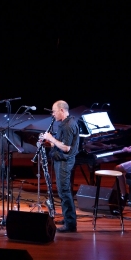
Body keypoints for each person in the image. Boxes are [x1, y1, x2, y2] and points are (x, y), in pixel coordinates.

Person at [40, 100, 79, 233]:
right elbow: (59, 144)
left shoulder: (67, 126)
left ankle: (70, 225)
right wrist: (47, 142)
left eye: (54, 111)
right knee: (64, 191)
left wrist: (51, 138)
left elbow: (66, 148)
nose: (53, 114)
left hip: (64, 161)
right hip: (61, 160)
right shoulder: (65, 123)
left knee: (64, 192)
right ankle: (68, 219)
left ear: (61, 110)